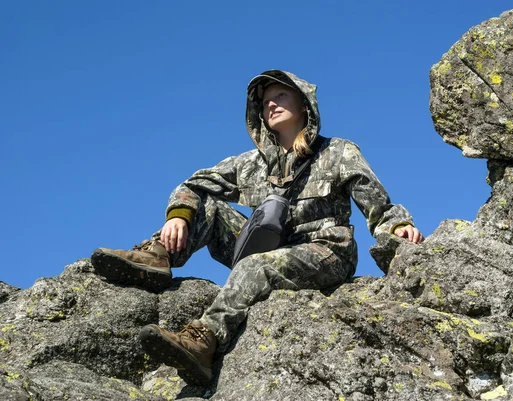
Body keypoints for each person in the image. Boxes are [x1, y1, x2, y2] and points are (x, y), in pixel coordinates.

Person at [91, 70, 424, 385]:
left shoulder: (338, 151)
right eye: (265, 102)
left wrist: (397, 229)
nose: (272, 104)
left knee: (255, 268)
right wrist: (178, 216)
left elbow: (376, 202)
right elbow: (196, 183)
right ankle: (159, 257)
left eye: (281, 95)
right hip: (271, 245)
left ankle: (204, 341)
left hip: (325, 251)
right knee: (210, 207)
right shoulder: (251, 164)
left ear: (304, 104)